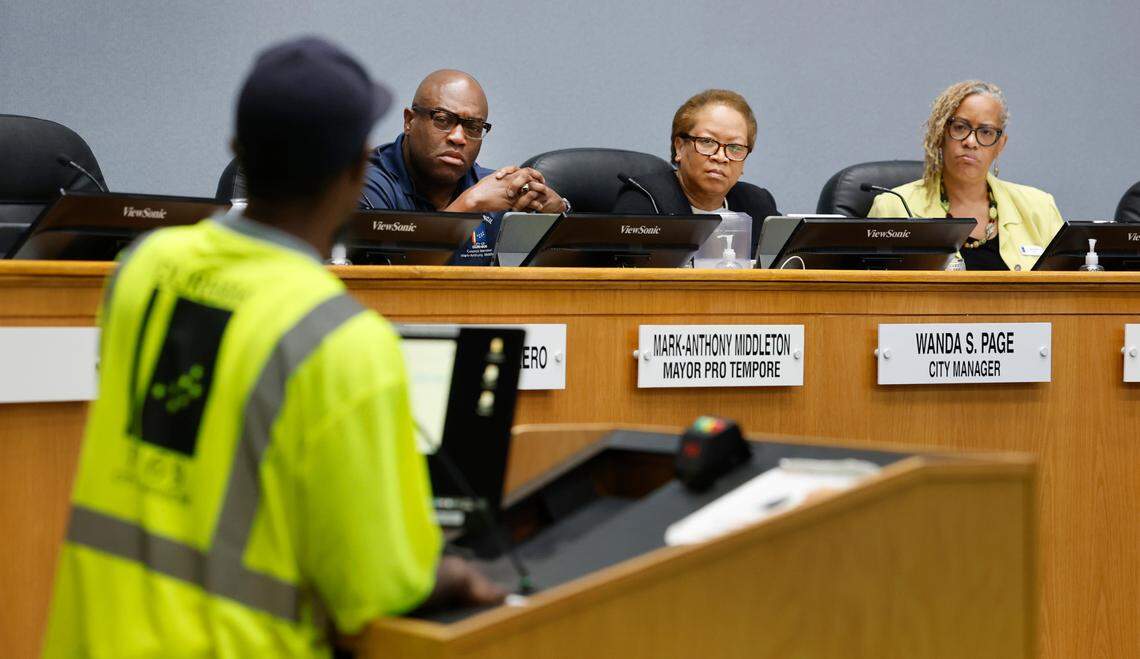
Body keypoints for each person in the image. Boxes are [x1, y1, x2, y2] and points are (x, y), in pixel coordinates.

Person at [42, 37, 503, 659]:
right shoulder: (339, 340)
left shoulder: (141, 269)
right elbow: (376, 583)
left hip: (91, 637)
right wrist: (448, 573)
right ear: (353, 173)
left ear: (239, 154)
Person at [361, 69, 568, 263]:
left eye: (473, 127)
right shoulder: (366, 185)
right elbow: (392, 280)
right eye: (442, 120)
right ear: (409, 121)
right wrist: (469, 204)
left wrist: (555, 219)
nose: (458, 138)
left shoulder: (496, 191)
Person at [867, 80, 1063, 271]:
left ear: (1000, 145)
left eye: (986, 132)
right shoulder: (894, 207)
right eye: (960, 127)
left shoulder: (1039, 208)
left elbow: (1068, 291)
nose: (971, 141)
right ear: (941, 133)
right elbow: (871, 296)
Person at [612, 89, 779, 258]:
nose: (721, 157)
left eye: (735, 147)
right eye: (707, 141)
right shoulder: (642, 203)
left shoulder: (758, 206)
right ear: (680, 147)